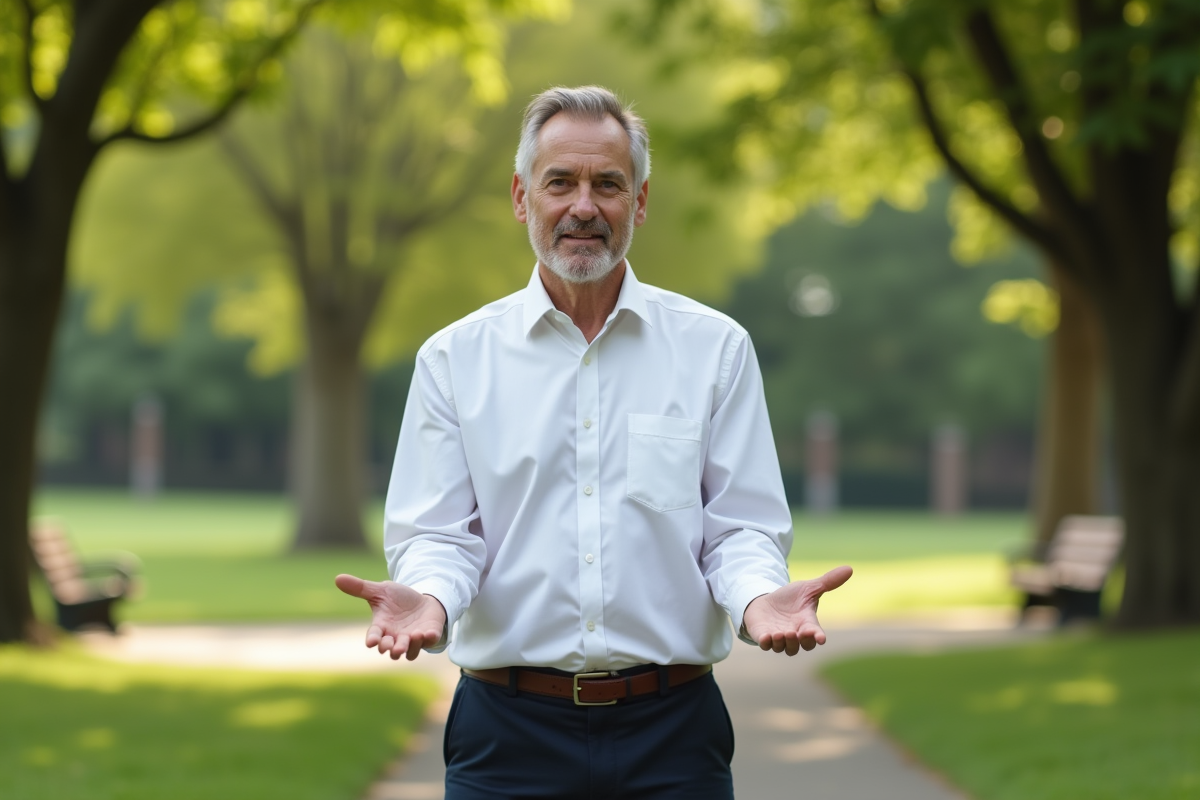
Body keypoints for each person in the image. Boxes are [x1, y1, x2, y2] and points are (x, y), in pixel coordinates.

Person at [336, 85, 853, 799]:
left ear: (639, 202)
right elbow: (441, 535)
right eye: (561, 183)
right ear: (523, 197)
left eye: (608, 183)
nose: (585, 206)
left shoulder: (715, 350)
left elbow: (739, 530)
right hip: (505, 737)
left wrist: (758, 600)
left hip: (674, 737)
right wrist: (430, 598)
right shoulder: (454, 360)